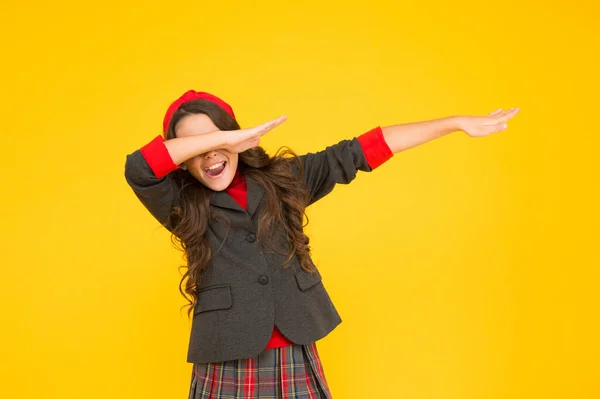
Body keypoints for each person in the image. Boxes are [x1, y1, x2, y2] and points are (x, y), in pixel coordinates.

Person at [124, 90, 519, 398]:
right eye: (195, 147)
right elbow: (138, 168)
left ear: (239, 142)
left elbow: (361, 150)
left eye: (217, 139)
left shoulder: (285, 179)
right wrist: (228, 137)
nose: (210, 152)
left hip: (295, 345)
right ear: (181, 160)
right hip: (227, 354)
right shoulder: (180, 203)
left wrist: (452, 123)